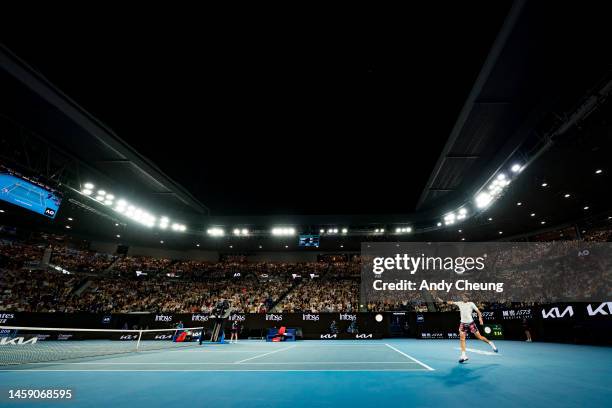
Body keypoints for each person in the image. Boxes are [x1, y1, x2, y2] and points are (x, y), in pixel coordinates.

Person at [447, 299, 498, 363]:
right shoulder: (459, 303)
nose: (465, 298)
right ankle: (464, 355)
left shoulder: (471, 303)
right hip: (462, 323)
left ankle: (490, 343)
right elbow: (451, 302)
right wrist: (448, 301)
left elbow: (478, 312)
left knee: (479, 337)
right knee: (462, 339)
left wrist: (480, 319)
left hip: (471, 323)